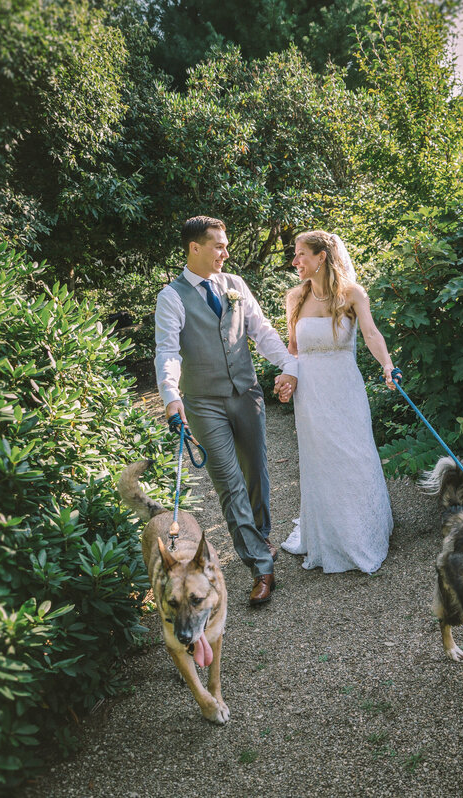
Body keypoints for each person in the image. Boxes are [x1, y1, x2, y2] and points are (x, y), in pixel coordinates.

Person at [154, 216, 298, 605]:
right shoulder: (171, 297)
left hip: (247, 393)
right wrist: (172, 396)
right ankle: (261, 566)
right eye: (218, 245)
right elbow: (167, 351)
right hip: (203, 402)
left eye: (225, 244)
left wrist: (289, 365)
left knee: (258, 472)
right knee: (229, 484)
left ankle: (260, 536)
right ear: (194, 248)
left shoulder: (235, 285)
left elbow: (262, 331)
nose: (225, 252)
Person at [279, 230, 394, 574]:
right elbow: (293, 351)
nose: (295, 261)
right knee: (320, 460)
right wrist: (288, 378)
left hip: (343, 385)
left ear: (321, 257)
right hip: (310, 394)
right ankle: (328, 537)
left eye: (301, 254)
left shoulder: (352, 295)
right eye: (295, 255)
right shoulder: (295, 298)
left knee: (354, 453)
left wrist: (387, 365)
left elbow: (371, 334)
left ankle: (364, 533)